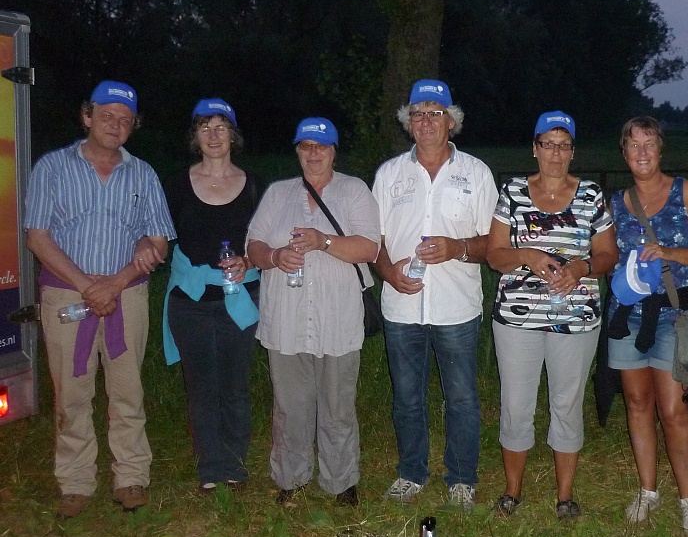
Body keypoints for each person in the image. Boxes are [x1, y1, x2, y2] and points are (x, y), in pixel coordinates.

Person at [25, 80, 175, 518]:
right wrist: (88, 285)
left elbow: (159, 241)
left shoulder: (143, 174)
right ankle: (75, 481)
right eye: (107, 116)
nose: (115, 125)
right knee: (71, 392)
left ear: (133, 127)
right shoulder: (52, 168)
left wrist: (116, 281)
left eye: (125, 120)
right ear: (87, 116)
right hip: (66, 295)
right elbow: (37, 238)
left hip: (126, 296)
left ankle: (130, 477)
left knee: (127, 391)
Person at [371, 79, 498, 509]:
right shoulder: (389, 174)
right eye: (418, 114)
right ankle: (411, 473)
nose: (426, 122)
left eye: (435, 113)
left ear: (451, 122)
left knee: (461, 398)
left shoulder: (476, 173)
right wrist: (387, 272)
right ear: (408, 123)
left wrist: (457, 248)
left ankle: (461, 478)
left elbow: (494, 244)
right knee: (407, 398)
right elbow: (374, 240)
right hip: (401, 305)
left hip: (456, 308)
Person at [486, 111, 618, 520]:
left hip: (575, 319)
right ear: (535, 148)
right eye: (548, 144)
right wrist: (526, 254)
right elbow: (494, 256)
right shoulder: (512, 191)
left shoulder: (591, 194)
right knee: (516, 404)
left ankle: (565, 497)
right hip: (517, 320)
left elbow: (608, 255)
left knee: (567, 402)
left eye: (564, 145)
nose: (555, 153)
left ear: (573, 151)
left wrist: (582, 267)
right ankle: (512, 492)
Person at [246, 117, 379, 507]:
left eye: (321, 146)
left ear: (334, 151)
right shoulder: (278, 193)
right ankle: (292, 478)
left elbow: (369, 248)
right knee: (290, 406)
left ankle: (341, 481)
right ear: (297, 151)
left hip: (338, 319)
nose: (313, 153)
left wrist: (324, 241)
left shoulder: (354, 190)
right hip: (286, 320)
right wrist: (275, 256)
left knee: (338, 406)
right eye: (306, 146)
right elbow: (253, 246)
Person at [606, 116, 688, 530]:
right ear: (624, 152)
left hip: (675, 316)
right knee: (637, 403)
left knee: (673, 409)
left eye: (649, 143)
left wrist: (670, 253)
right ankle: (648, 490)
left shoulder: (684, 191)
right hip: (629, 317)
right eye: (633, 144)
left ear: (661, 149)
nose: (642, 152)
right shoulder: (617, 202)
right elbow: (607, 254)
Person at [162, 99, 261, 493]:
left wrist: (248, 260)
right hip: (191, 300)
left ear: (233, 135)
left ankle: (235, 464)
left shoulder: (255, 185)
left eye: (221, 126)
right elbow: (156, 235)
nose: (214, 135)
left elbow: (265, 241)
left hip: (240, 297)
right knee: (201, 387)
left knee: (235, 385)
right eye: (205, 127)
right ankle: (210, 468)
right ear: (195, 136)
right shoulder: (175, 184)